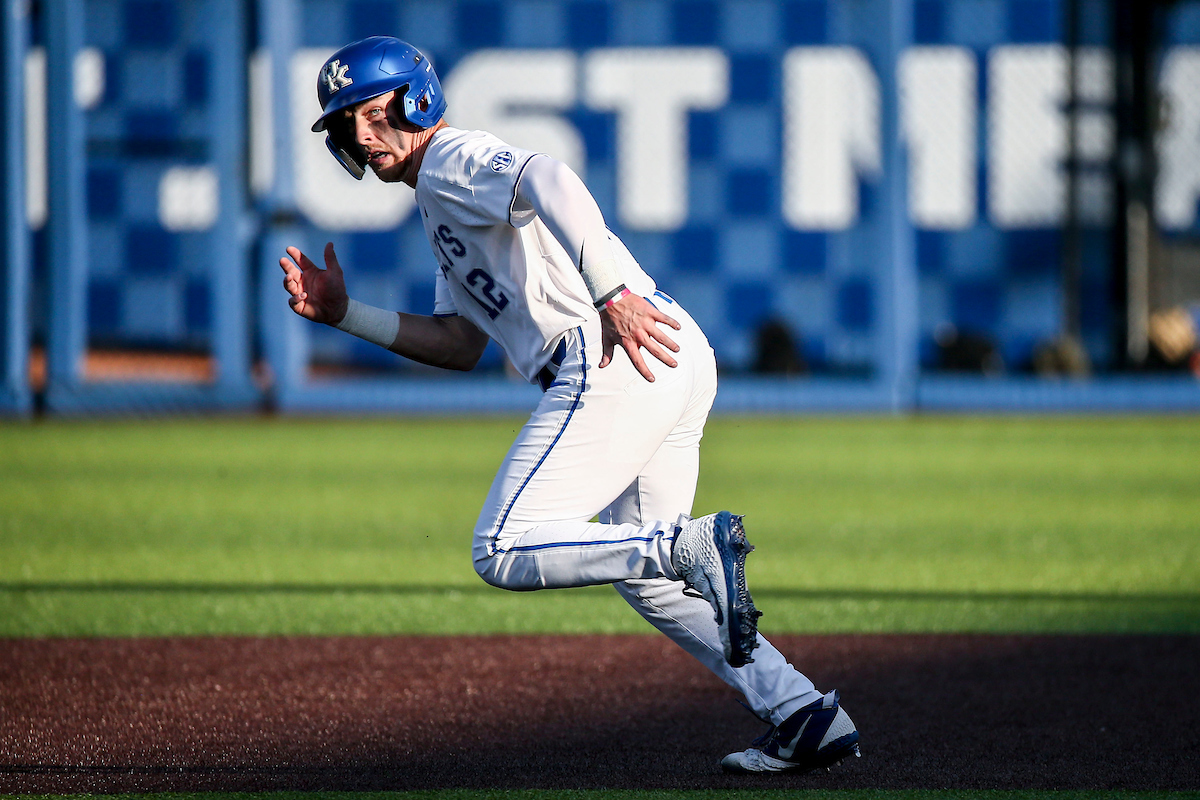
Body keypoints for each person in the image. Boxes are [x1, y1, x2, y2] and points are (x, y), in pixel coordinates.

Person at [279, 35, 860, 775]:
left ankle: (687, 545)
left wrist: (611, 289)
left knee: (502, 548)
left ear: (415, 97)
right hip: (667, 352)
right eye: (344, 125)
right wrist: (346, 316)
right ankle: (803, 712)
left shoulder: (451, 160)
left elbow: (549, 175)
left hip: (613, 348)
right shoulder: (436, 200)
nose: (362, 135)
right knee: (651, 584)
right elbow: (460, 344)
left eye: (371, 111)